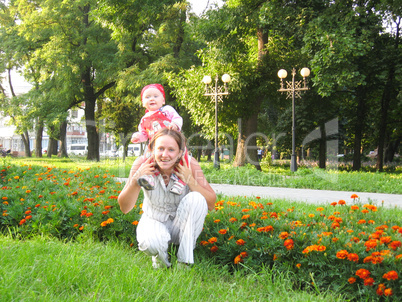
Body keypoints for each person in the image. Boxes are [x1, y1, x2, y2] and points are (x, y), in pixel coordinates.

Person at [118, 128, 216, 269]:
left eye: (171, 150)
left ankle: (184, 262)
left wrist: (190, 180)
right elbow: (125, 208)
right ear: (152, 149)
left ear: (180, 153)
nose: (165, 155)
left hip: (180, 226)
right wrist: (136, 179)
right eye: (160, 149)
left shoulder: (190, 164)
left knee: (197, 199)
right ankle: (161, 262)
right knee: (152, 243)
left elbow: (211, 204)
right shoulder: (142, 164)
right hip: (154, 221)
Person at [131, 83, 187, 195]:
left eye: (156, 96)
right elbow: (144, 133)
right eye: (147, 97)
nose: (152, 99)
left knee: (181, 161)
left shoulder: (167, 110)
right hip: (155, 146)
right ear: (143, 103)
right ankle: (150, 178)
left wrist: (175, 124)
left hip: (172, 143)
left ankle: (181, 182)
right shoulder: (144, 119)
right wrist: (138, 137)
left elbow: (177, 118)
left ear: (163, 100)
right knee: (147, 160)